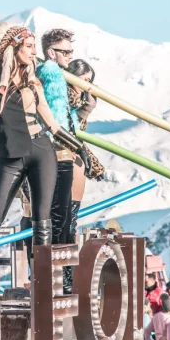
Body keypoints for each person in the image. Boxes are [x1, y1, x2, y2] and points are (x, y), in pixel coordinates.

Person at [0, 23, 87, 259]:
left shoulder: (33, 81)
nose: (34, 52)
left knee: (43, 223)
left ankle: (43, 285)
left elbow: (52, 124)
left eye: (34, 47)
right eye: (30, 47)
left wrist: (78, 147)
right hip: (10, 156)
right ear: (14, 47)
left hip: (42, 152)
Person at [35, 30, 92, 293]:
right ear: (51, 52)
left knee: (63, 216)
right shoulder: (52, 74)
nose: (70, 56)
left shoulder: (55, 74)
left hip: (63, 150)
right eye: (65, 51)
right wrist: (75, 145)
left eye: (71, 51)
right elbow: (56, 118)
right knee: (61, 217)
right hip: (58, 151)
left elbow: (67, 117)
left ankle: (63, 274)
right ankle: (62, 276)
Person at [65, 59, 105, 243]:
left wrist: (87, 109)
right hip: (61, 153)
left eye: (89, 81)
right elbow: (69, 131)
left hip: (71, 152)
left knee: (71, 216)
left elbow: (77, 130)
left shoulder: (78, 100)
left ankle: (67, 268)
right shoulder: (61, 95)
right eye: (83, 80)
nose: (86, 85)